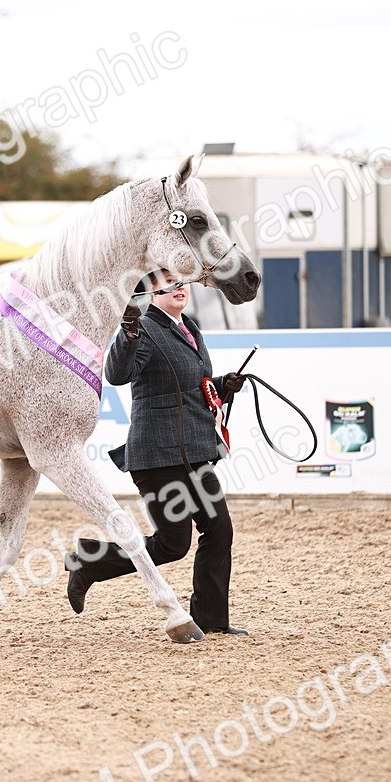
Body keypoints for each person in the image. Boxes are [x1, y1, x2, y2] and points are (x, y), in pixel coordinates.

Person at [64, 269, 248, 635]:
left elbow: (184, 388)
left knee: (220, 530)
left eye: (184, 284)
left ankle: (211, 621)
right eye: (171, 284)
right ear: (151, 292)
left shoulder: (189, 328)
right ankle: (89, 561)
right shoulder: (144, 328)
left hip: (196, 451)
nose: (181, 289)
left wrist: (221, 387)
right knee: (172, 544)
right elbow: (118, 374)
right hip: (157, 456)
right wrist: (128, 332)